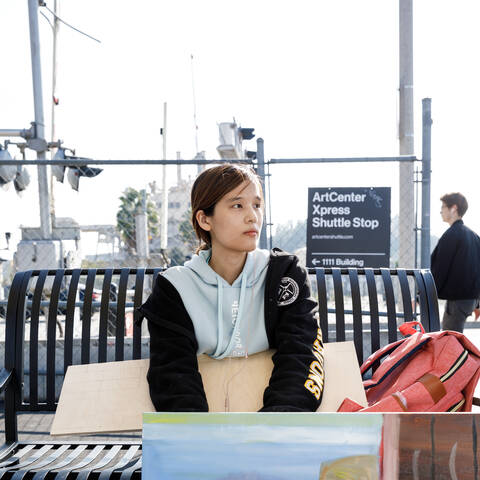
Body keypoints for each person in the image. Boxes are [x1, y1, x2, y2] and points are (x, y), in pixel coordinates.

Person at [137, 163, 324, 412]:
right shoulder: (176, 287)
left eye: (256, 205)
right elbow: (172, 373)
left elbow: (302, 354)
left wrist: (272, 427)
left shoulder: (283, 274)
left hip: (276, 428)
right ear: (204, 219)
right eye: (237, 205)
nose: (252, 216)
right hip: (202, 435)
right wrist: (202, 439)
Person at [430, 192, 480, 332]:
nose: (441, 211)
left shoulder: (451, 235)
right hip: (470, 299)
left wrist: (421, 296)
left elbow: (440, 269)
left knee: (451, 341)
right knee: (455, 340)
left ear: (454, 208)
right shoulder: (474, 236)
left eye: (443, 206)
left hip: (457, 301)